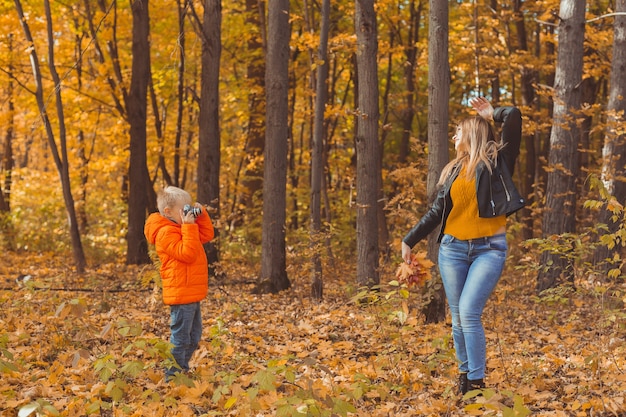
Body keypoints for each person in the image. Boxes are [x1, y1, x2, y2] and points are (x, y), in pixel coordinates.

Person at [401, 97, 525, 394]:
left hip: (489, 249)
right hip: (452, 250)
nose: (454, 136)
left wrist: (492, 114)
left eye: (458, 131)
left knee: (469, 312)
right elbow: (437, 212)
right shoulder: (454, 171)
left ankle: (477, 383)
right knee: (458, 318)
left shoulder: (497, 162)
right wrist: (410, 239)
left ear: (471, 134)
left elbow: (515, 117)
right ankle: (464, 375)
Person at [144, 186, 215, 380]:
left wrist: (200, 216)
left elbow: (207, 235)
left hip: (191, 292)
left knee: (193, 337)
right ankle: (172, 376)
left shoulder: (181, 227)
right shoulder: (165, 233)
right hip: (181, 293)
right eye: (184, 209)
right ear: (168, 212)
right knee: (181, 338)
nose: (187, 212)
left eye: (189, 208)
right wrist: (189, 226)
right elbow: (188, 253)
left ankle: (181, 369)